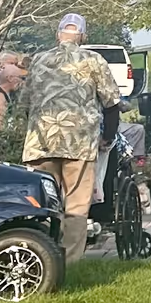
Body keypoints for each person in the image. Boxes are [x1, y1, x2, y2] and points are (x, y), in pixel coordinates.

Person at [19, 14, 120, 261]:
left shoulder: (39, 60)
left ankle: (40, 257)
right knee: (75, 205)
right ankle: (70, 261)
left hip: (41, 143)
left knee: (41, 202)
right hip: (79, 142)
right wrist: (107, 137)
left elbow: (24, 103)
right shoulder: (93, 60)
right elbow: (112, 103)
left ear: (58, 35)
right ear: (83, 36)